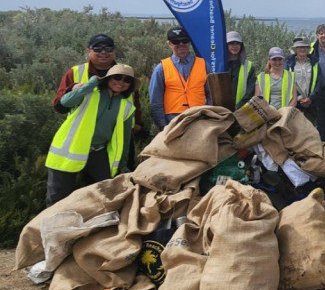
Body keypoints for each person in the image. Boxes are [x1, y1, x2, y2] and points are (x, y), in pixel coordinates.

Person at [45, 64, 139, 206]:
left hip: (98, 152)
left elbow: (125, 139)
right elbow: (65, 102)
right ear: (107, 79)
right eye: (117, 77)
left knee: (108, 192)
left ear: (130, 85)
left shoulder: (127, 107)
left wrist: (123, 165)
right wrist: (89, 85)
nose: (121, 82)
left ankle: (98, 225)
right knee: (58, 196)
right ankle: (51, 226)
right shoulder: (88, 93)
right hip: (69, 150)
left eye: (127, 80)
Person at [53, 34, 144, 170]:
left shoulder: (125, 72)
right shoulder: (75, 72)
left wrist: (138, 124)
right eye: (97, 48)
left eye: (108, 48)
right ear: (88, 51)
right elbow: (60, 106)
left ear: (114, 51)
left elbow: (135, 102)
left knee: (118, 176)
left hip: (120, 135)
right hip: (80, 138)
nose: (103, 52)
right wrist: (75, 90)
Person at [149, 27, 211, 130]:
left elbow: (211, 94)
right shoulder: (161, 68)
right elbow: (155, 101)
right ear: (169, 44)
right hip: (172, 122)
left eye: (185, 41)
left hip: (199, 120)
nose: (181, 44)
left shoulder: (204, 64)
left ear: (189, 42)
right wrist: (163, 127)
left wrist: (208, 116)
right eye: (176, 42)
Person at [285, 37, 317, 122]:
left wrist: (311, 98)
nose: (302, 49)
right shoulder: (288, 63)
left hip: (313, 102)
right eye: (299, 47)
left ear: (308, 49)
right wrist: (300, 98)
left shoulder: (315, 62)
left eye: (305, 47)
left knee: (311, 130)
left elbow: (319, 82)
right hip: (295, 102)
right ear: (295, 49)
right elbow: (287, 82)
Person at [225, 31, 255, 109]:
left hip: (241, 110)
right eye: (231, 43)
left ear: (241, 46)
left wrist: (238, 108)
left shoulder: (249, 66)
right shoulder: (219, 64)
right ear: (226, 45)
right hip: (221, 110)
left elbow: (250, 91)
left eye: (237, 43)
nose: (235, 46)